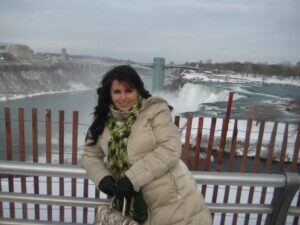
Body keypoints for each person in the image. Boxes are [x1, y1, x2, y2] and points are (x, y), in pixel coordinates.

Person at [82, 65, 212, 225]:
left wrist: (132, 179)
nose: (123, 97)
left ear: (138, 91)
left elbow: (170, 148)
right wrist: (102, 178)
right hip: (130, 205)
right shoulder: (102, 120)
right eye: (117, 92)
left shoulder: (155, 110)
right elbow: (90, 155)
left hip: (171, 201)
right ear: (109, 94)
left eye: (129, 91)